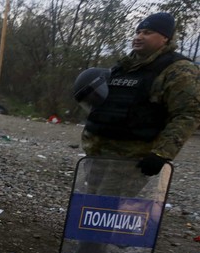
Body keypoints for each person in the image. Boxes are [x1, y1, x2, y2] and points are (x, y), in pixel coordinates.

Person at [80, 12, 200, 174]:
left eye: (148, 33)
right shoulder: (123, 66)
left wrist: (162, 153)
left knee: (114, 199)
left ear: (165, 38)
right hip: (97, 153)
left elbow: (188, 113)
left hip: (132, 157)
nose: (139, 36)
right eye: (138, 32)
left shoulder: (179, 70)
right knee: (90, 198)